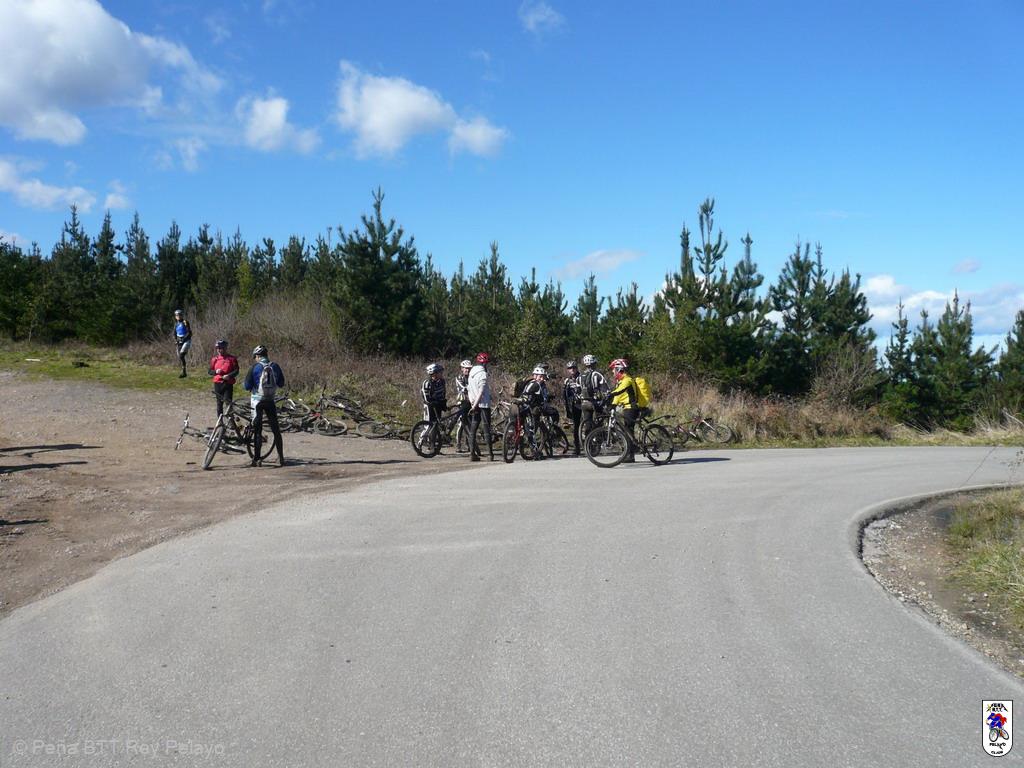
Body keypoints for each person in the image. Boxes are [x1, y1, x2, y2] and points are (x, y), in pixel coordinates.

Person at [242, 345, 285, 467]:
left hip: (257, 401)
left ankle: (257, 459)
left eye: (255, 357)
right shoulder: (275, 366)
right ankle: (281, 457)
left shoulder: (255, 367)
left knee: (257, 430)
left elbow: (247, 386)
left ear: (257, 356)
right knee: (276, 430)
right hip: (270, 400)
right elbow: (281, 383)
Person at [606, 358, 639, 463]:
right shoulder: (620, 381)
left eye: (614, 369)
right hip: (626, 407)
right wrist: (613, 404)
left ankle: (630, 455)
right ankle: (630, 450)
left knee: (628, 430)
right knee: (626, 430)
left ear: (619, 369)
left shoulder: (627, 380)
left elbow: (619, 391)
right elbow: (618, 395)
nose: (613, 372)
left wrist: (610, 394)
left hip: (631, 408)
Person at [467, 352, 495, 462]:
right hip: (483, 404)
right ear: (484, 364)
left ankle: (472, 454)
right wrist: (474, 406)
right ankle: (490, 454)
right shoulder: (483, 374)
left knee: (473, 429)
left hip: (474, 402)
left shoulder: (471, 372)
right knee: (487, 428)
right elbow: (481, 391)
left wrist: (472, 403)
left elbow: (469, 389)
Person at [578, 354, 608, 444]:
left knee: (588, 422)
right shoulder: (597, 374)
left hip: (584, 403)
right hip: (595, 402)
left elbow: (577, 390)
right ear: (594, 363)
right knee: (602, 417)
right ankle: (599, 437)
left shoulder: (580, 376)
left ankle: (588, 443)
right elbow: (605, 389)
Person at [208, 339, 239, 416]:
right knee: (219, 404)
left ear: (225, 348)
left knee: (228, 402)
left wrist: (229, 375)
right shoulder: (214, 359)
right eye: (217, 348)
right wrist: (215, 372)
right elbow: (209, 371)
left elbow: (236, 371)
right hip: (218, 383)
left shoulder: (232, 359)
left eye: (221, 348)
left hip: (228, 384)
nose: (219, 350)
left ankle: (231, 420)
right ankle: (220, 420)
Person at [562, 361, 584, 455]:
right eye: (570, 368)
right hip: (575, 405)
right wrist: (567, 408)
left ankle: (591, 444)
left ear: (577, 368)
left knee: (588, 423)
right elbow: (565, 395)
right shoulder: (567, 381)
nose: (572, 370)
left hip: (585, 402)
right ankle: (577, 447)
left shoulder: (582, 378)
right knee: (576, 426)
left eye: (574, 368)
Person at [455, 359, 473, 449]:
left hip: (471, 402)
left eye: (469, 368)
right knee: (461, 424)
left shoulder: (472, 377)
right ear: (462, 368)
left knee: (470, 423)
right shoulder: (459, 378)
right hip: (461, 402)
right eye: (465, 368)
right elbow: (463, 388)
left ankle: (468, 443)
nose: (467, 370)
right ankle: (458, 444)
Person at [173, 309, 192, 378]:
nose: (178, 316)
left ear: (182, 315)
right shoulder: (176, 324)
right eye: (177, 315)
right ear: (175, 316)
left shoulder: (185, 322)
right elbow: (174, 333)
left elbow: (189, 333)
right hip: (179, 342)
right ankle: (184, 372)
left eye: (180, 315)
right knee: (180, 356)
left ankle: (183, 372)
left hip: (186, 340)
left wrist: (183, 339)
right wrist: (176, 340)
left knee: (181, 355)